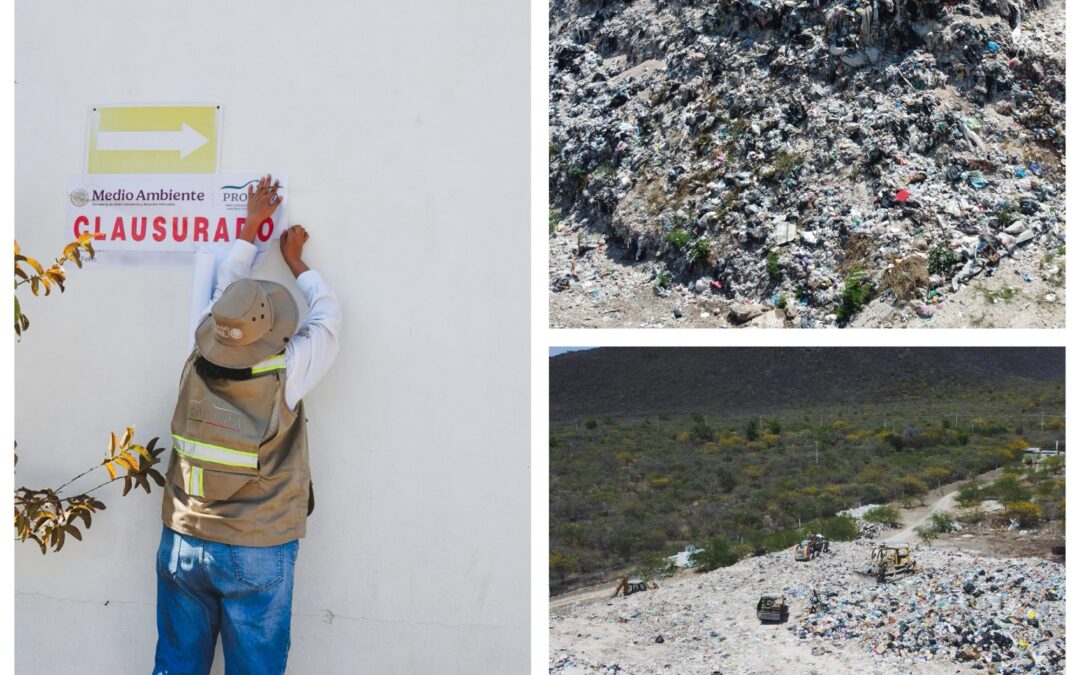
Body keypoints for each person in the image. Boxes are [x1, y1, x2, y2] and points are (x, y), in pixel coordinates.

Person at [153, 175, 342, 674]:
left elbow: (222, 297)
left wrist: (248, 230)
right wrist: (297, 262)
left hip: (184, 538)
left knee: (175, 664)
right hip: (256, 546)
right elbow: (328, 319)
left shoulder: (197, 352)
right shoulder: (288, 370)